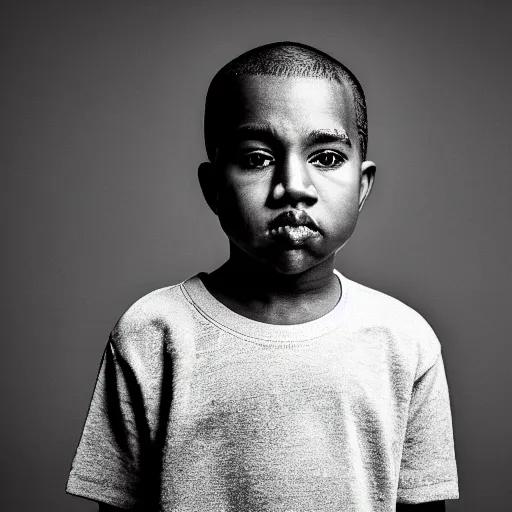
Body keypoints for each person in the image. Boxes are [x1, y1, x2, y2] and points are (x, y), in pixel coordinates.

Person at [66, 42, 459, 512]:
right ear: (213, 188)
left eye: (328, 157)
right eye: (257, 158)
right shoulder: (152, 332)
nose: (293, 185)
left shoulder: (404, 340)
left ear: (362, 185)